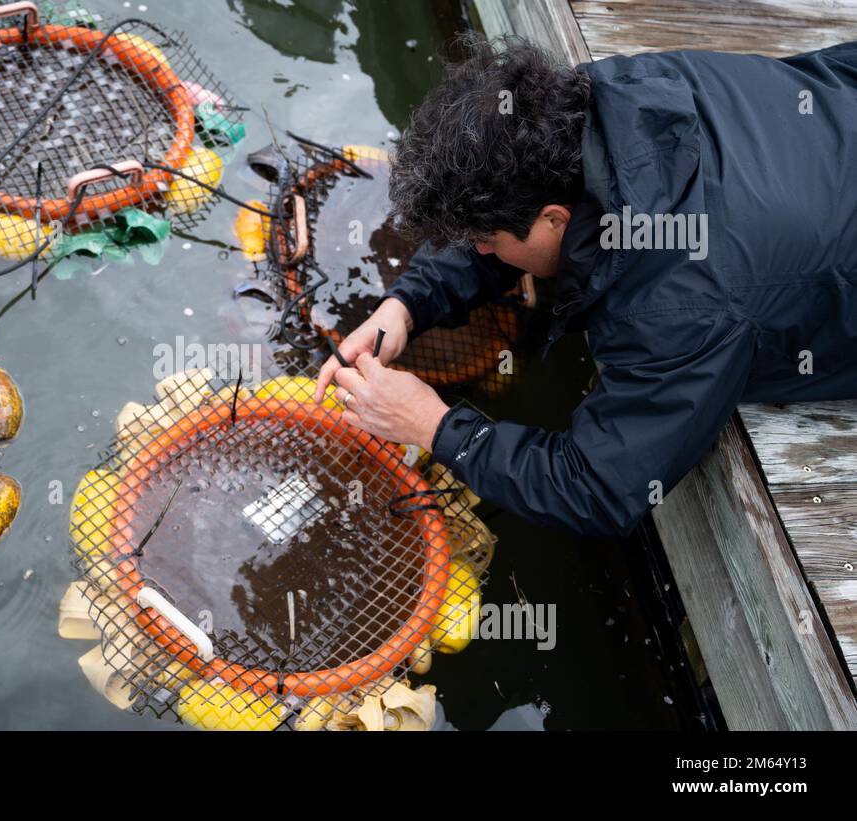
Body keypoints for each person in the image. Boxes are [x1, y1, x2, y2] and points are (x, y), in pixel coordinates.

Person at [316, 35, 857, 537]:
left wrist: (434, 426)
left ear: (555, 220)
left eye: (486, 240)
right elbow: (506, 204)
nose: (480, 251)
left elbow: (598, 487)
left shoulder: (674, 310)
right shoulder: (608, 91)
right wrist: (407, 304)